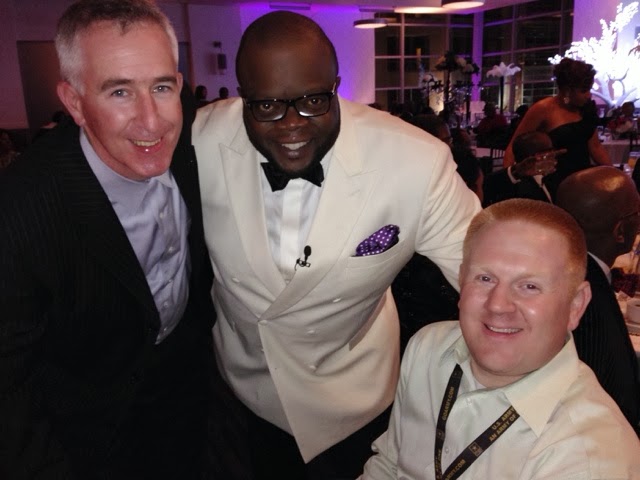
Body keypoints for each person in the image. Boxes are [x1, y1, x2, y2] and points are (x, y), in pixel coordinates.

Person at [192, 10, 481, 479]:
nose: (291, 125)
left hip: (355, 403)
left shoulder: (415, 163)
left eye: (313, 101)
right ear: (241, 96)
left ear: (336, 87)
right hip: (243, 395)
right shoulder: (197, 141)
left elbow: (487, 272)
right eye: (266, 106)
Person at [0, 1, 217, 478]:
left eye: (161, 87)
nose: (152, 121)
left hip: (190, 408)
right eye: (120, 92)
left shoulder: (200, 144)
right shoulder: (21, 212)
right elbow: (9, 390)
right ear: (75, 102)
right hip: (84, 436)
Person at [361, 199, 640, 480]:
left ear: (576, 305)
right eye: (485, 278)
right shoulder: (428, 348)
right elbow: (389, 465)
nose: (498, 305)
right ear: (461, 279)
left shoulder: (586, 459)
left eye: (529, 286)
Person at [556, 166, 640, 433]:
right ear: (620, 231)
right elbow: (607, 392)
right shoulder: (587, 298)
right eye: (636, 213)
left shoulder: (567, 268)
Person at [504, 58, 611, 199]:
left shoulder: (586, 109)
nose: (589, 95)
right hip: (552, 182)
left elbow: (595, 146)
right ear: (567, 91)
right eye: (584, 91)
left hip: (581, 181)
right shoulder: (543, 109)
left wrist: (613, 173)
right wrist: (508, 182)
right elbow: (513, 146)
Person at [483, 131, 562, 206]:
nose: (554, 153)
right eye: (551, 150)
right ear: (539, 156)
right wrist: (516, 173)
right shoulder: (516, 191)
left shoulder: (553, 177)